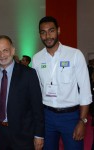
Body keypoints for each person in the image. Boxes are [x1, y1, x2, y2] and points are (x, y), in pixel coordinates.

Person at [32, 16, 92, 150]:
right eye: (43, 32)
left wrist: (82, 121)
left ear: (58, 31)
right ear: (39, 35)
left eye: (51, 31)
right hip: (47, 116)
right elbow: (36, 91)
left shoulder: (75, 55)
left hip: (71, 116)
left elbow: (85, 90)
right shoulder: (36, 59)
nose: (47, 36)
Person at [0, 35, 44, 150]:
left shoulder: (29, 74)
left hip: (23, 135)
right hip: (0, 133)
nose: (2, 55)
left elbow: (37, 107)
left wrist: (39, 134)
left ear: (13, 50)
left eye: (5, 50)